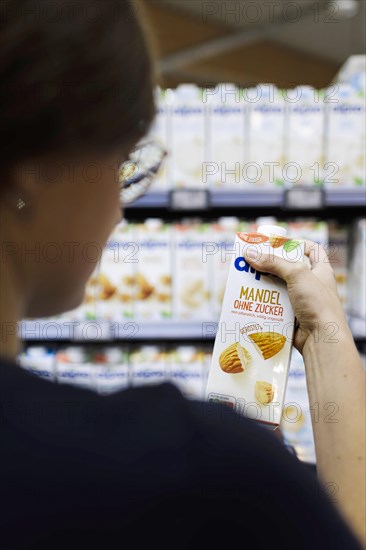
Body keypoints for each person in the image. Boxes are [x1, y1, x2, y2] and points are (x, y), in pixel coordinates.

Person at [0, 1, 364, 548]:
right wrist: (325, 333)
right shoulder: (193, 474)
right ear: (36, 165)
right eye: (123, 159)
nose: (120, 208)